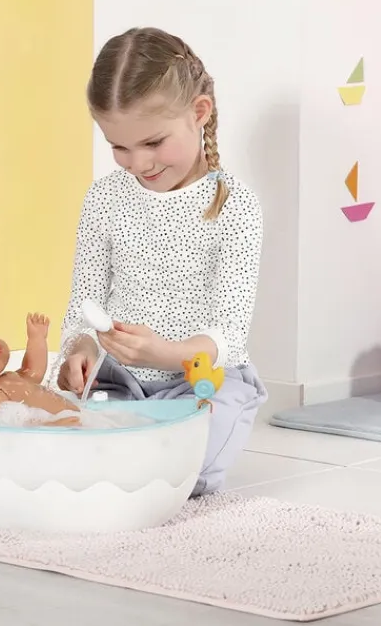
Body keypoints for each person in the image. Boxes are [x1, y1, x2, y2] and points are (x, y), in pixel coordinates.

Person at [54, 26, 266, 496]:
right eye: (119, 147)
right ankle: (123, 455)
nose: (139, 163)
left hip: (201, 379)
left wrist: (165, 353)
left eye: (152, 143)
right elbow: (84, 302)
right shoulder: (105, 198)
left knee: (186, 468)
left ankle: (148, 462)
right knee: (66, 435)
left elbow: (229, 335)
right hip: (119, 379)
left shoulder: (235, 207)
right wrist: (80, 349)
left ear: (199, 113)